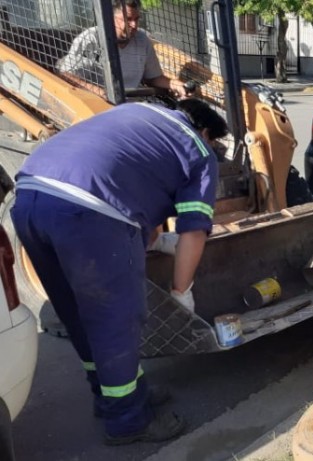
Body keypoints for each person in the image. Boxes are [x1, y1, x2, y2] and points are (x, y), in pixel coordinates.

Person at [10, 98, 227, 445]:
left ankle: (113, 397)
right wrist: (180, 293)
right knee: (116, 320)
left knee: (77, 313)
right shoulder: (198, 149)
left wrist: (152, 243)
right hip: (89, 210)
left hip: (30, 198)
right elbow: (194, 231)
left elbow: (138, 194)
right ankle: (128, 420)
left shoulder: (135, 113)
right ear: (206, 131)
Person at [57, 0, 189, 97]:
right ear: (109, 18)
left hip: (133, 102)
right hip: (98, 104)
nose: (134, 25)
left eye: (137, 19)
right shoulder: (90, 39)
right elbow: (66, 75)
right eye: (127, 19)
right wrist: (101, 93)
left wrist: (177, 85)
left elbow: (153, 78)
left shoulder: (142, 40)